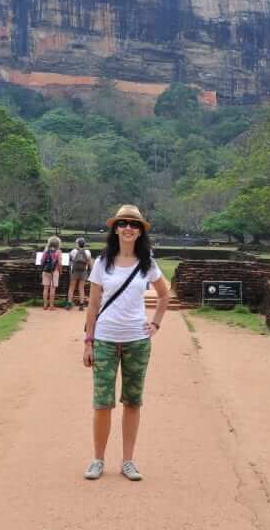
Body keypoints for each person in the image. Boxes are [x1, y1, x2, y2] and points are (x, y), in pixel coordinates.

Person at [81, 205, 171, 482]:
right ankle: (98, 459)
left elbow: (164, 294)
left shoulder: (147, 264)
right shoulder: (102, 262)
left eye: (134, 224)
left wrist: (155, 323)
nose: (128, 228)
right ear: (115, 229)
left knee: (132, 401)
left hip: (137, 340)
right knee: (102, 403)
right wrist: (88, 340)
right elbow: (93, 304)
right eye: (123, 224)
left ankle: (128, 461)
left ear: (140, 230)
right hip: (106, 339)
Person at [68, 237, 93, 311]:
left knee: (72, 287)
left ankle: (69, 304)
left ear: (78, 244)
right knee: (81, 288)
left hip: (75, 271)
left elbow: (69, 258)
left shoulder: (73, 251)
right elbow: (89, 263)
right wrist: (89, 271)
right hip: (83, 271)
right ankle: (81, 305)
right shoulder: (88, 252)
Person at [40, 236, 62, 310]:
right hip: (54, 271)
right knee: (52, 288)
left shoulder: (46, 250)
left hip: (45, 271)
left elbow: (42, 261)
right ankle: (51, 306)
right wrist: (60, 271)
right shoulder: (58, 251)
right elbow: (59, 263)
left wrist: (43, 268)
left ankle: (45, 305)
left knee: (45, 288)